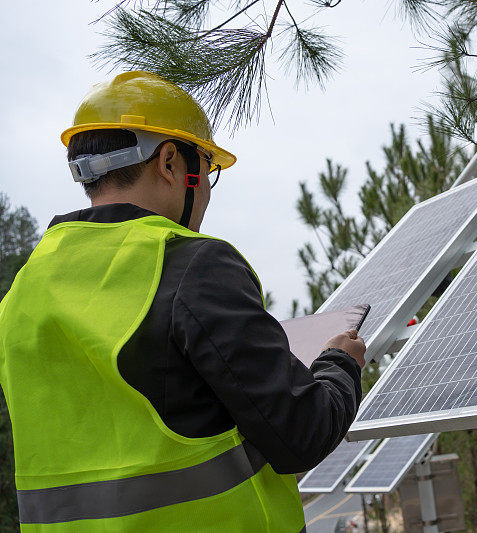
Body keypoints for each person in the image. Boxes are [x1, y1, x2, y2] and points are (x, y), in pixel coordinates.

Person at [0, 71, 366, 532]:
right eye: (209, 170)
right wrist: (339, 363)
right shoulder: (192, 265)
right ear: (171, 162)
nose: (209, 191)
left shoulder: (23, 290)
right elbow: (302, 434)